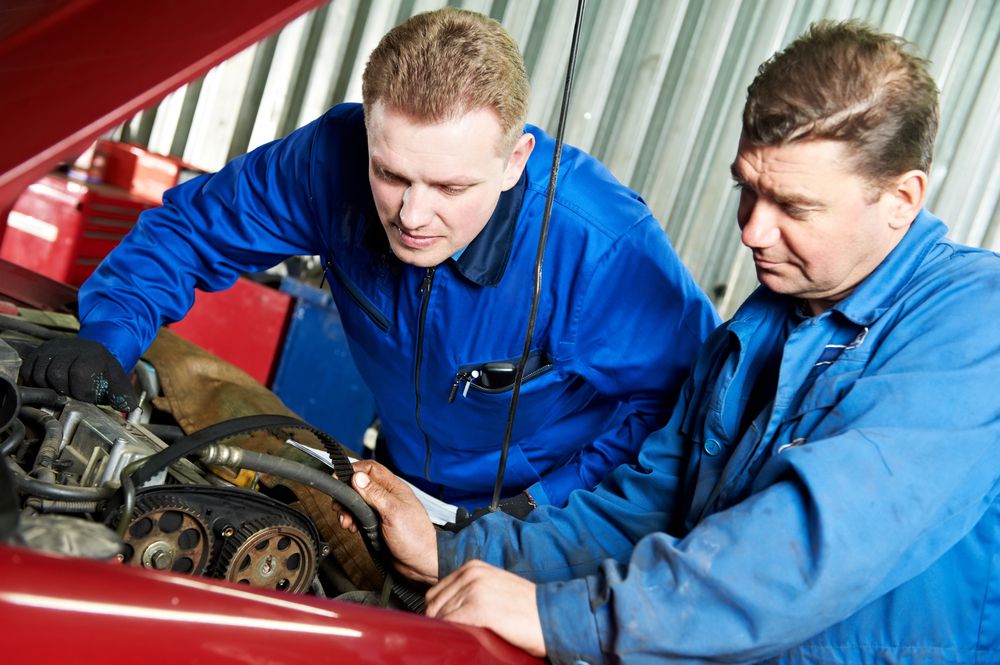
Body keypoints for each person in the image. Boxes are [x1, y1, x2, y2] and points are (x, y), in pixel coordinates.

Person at [341, 19, 1000, 662]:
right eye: (748, 189)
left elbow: (804, 549)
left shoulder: (973, 324)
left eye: (794, 206)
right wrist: (457, 550)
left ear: (901, 198)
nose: (752, 232)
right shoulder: (759, 327)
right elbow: (644, 508)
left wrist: (559, 615)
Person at [21, 9, 717, 514]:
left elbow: (682, 407)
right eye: (392, 175)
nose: (412, 216)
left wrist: (538, 512)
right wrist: (107, 338)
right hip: (402, 482)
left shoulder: (598, 246)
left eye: (449, 187)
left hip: (546, 518)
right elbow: (187, 232)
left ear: (515, 161)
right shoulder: (332, 160)